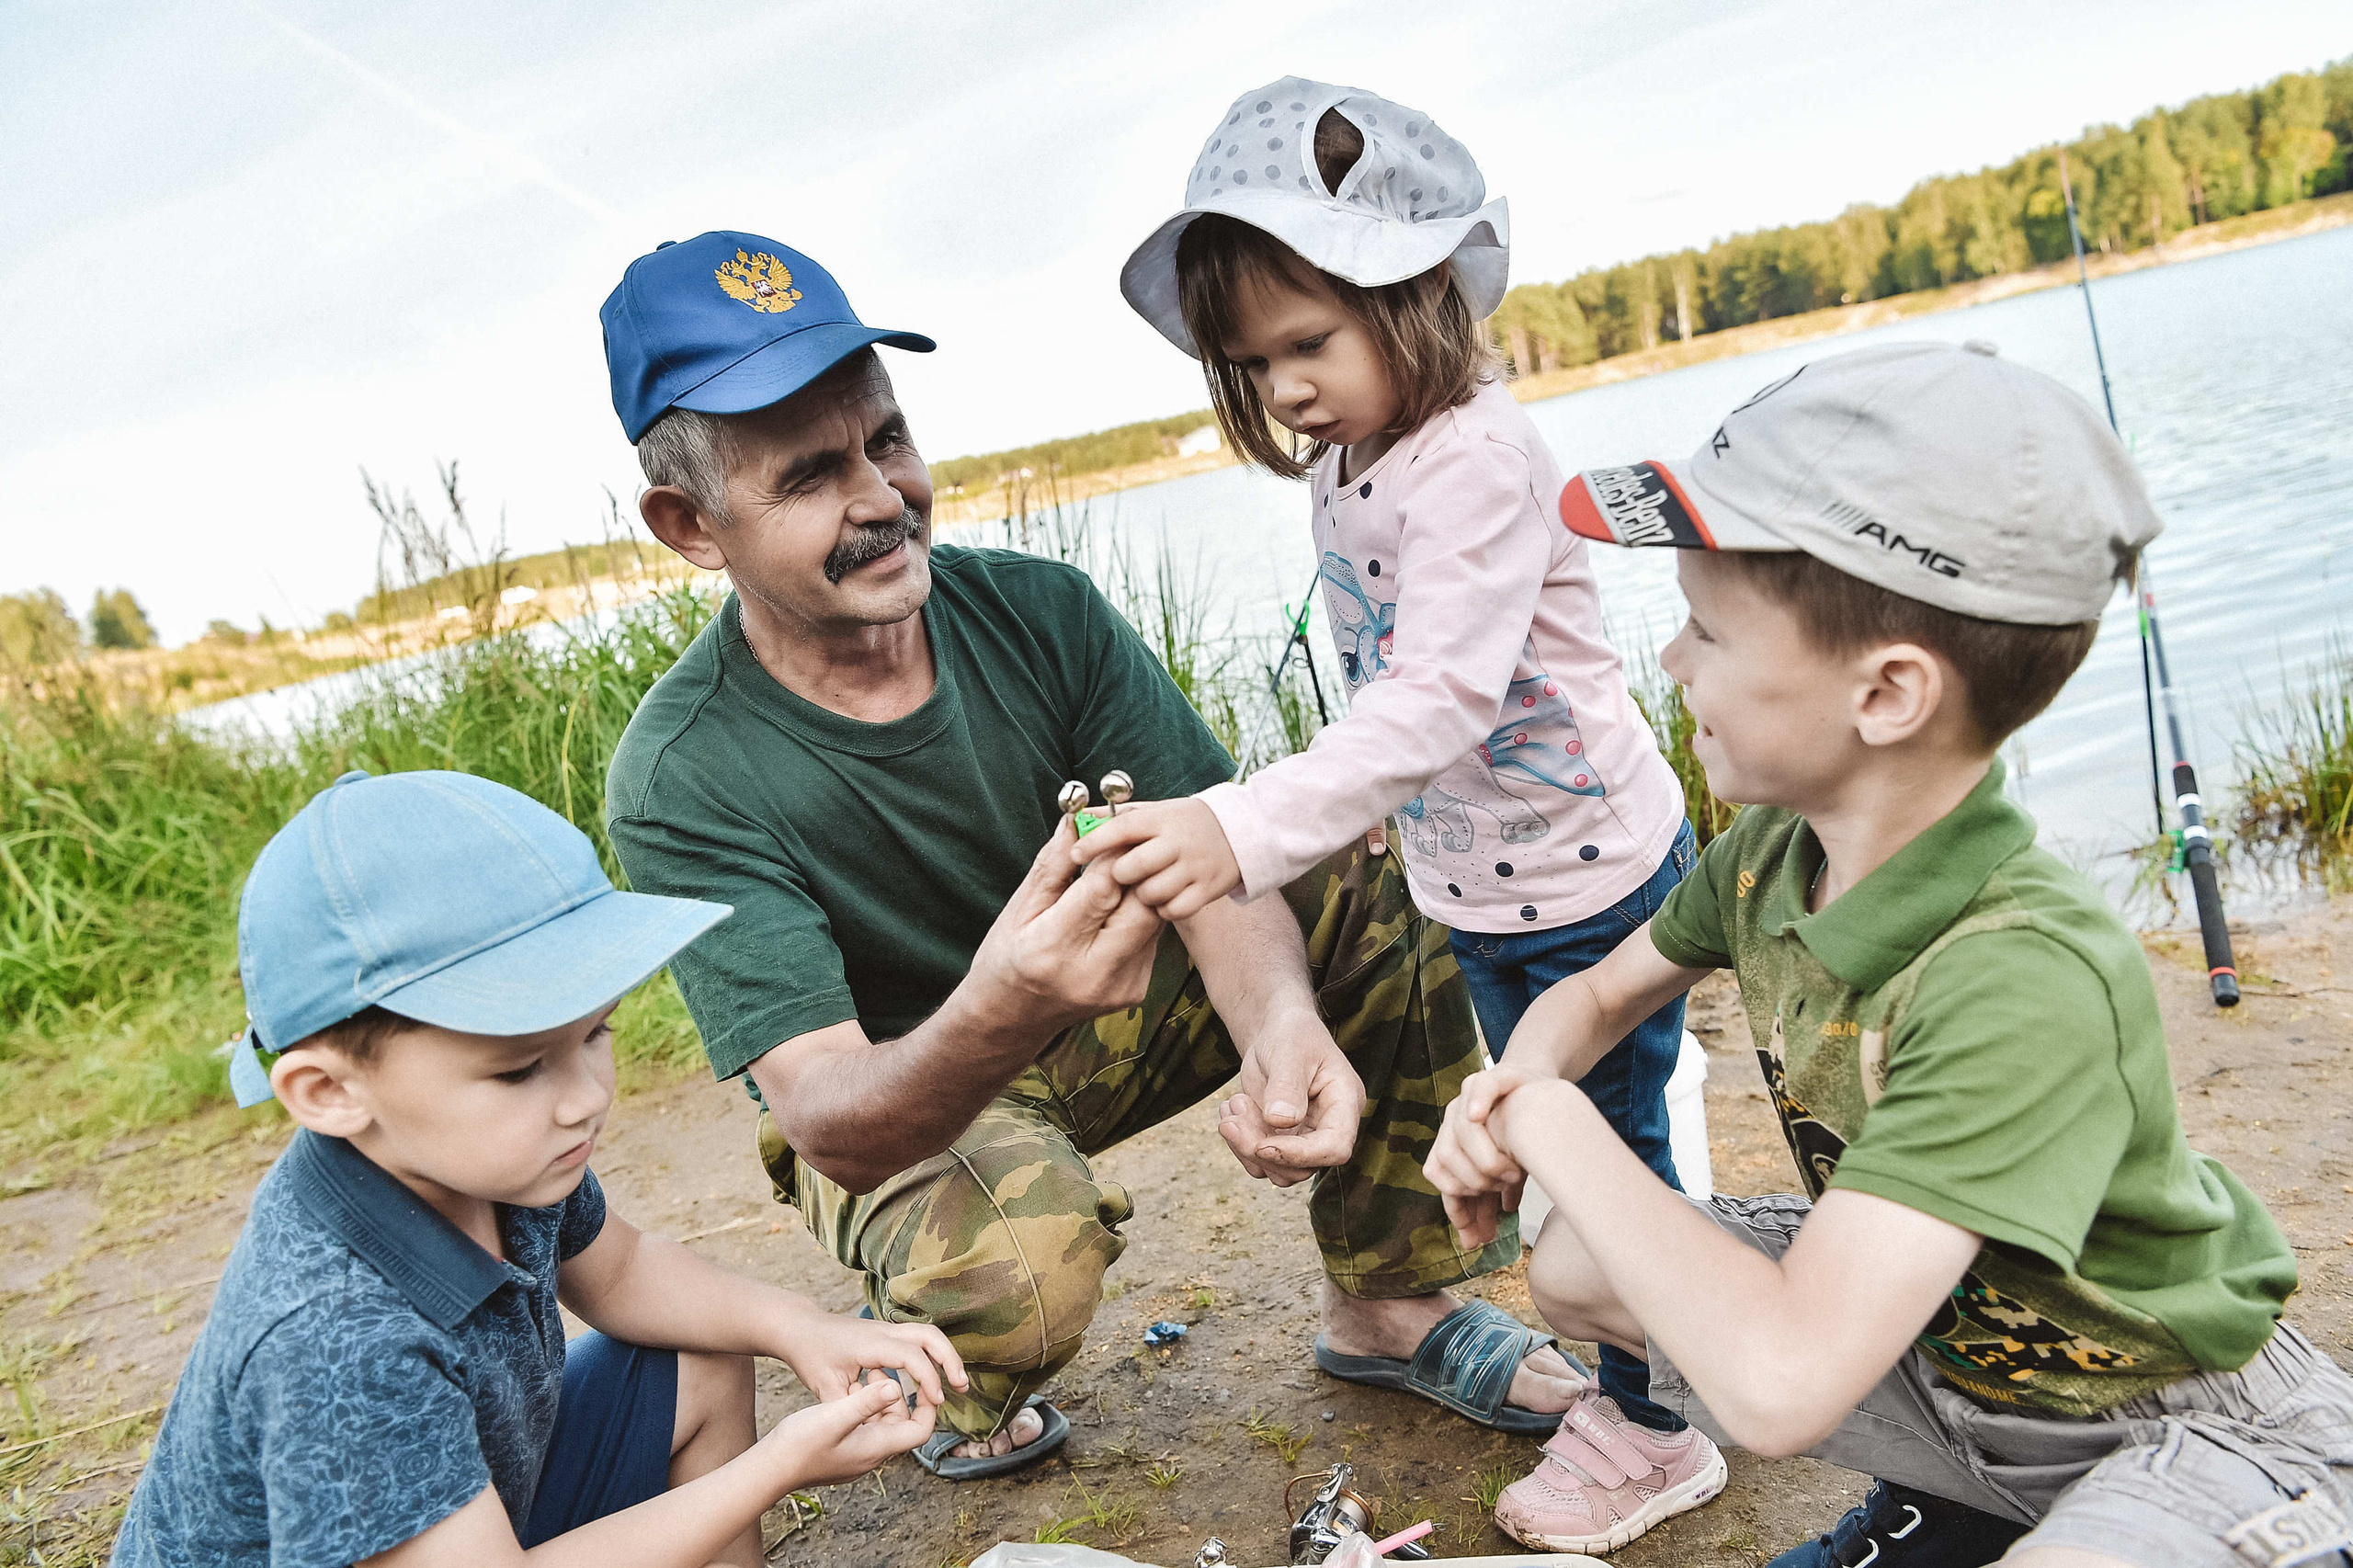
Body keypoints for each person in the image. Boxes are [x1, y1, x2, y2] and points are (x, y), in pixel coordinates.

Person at [597, 230, 1586, 1481]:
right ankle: (941, 1363)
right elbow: (833, 1122)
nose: (879, 497)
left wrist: (1281, 1020)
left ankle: (1392, 1303)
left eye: (886, 440)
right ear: (691, 525)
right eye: (807, 477)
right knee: (1024, 1275)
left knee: (1366, 852)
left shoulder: (1043, 611)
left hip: (1104, 1018)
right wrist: (1009, 996)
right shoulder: (681, 772)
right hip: (916, 1096)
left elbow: (1223, 858)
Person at [1427, 340, 2350, 1565]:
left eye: (1707, 629)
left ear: (1888, 695)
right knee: (1582, 1262)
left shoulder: (2022, 972)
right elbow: (1599, 990)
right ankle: (1963, 1503)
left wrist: (1546, 1121)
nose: (1671, 661)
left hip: (2175, 1422)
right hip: (1961, 1364)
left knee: (1757, 1336)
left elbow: (1781, 1390)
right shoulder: (1769, 854)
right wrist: (1511, 1083)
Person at [1081, 74, 1701, 1475]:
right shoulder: (1354, 448)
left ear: (1416, 295)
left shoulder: (1476, 454)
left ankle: (1657, 1427)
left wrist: (1250, 822)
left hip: (1587, 874)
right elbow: (1395, 676)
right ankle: (1648, 1378)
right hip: (1489, 882)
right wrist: (1376, 809)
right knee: (1553, 1136)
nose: (1284, 386)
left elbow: (1440, 697)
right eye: (1250, 364)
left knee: (1606, 1157)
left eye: (1307, 341)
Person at [113, 770, 961, 1568]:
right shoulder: (332, 1337)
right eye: (520, 1069)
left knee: (698, 1355)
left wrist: (798, 1326)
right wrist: (775, 1465)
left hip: (478, 1518)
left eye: (596, 1034)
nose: (583, 1098)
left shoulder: (500, 1162)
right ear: (330, 1091)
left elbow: (623, 1269)